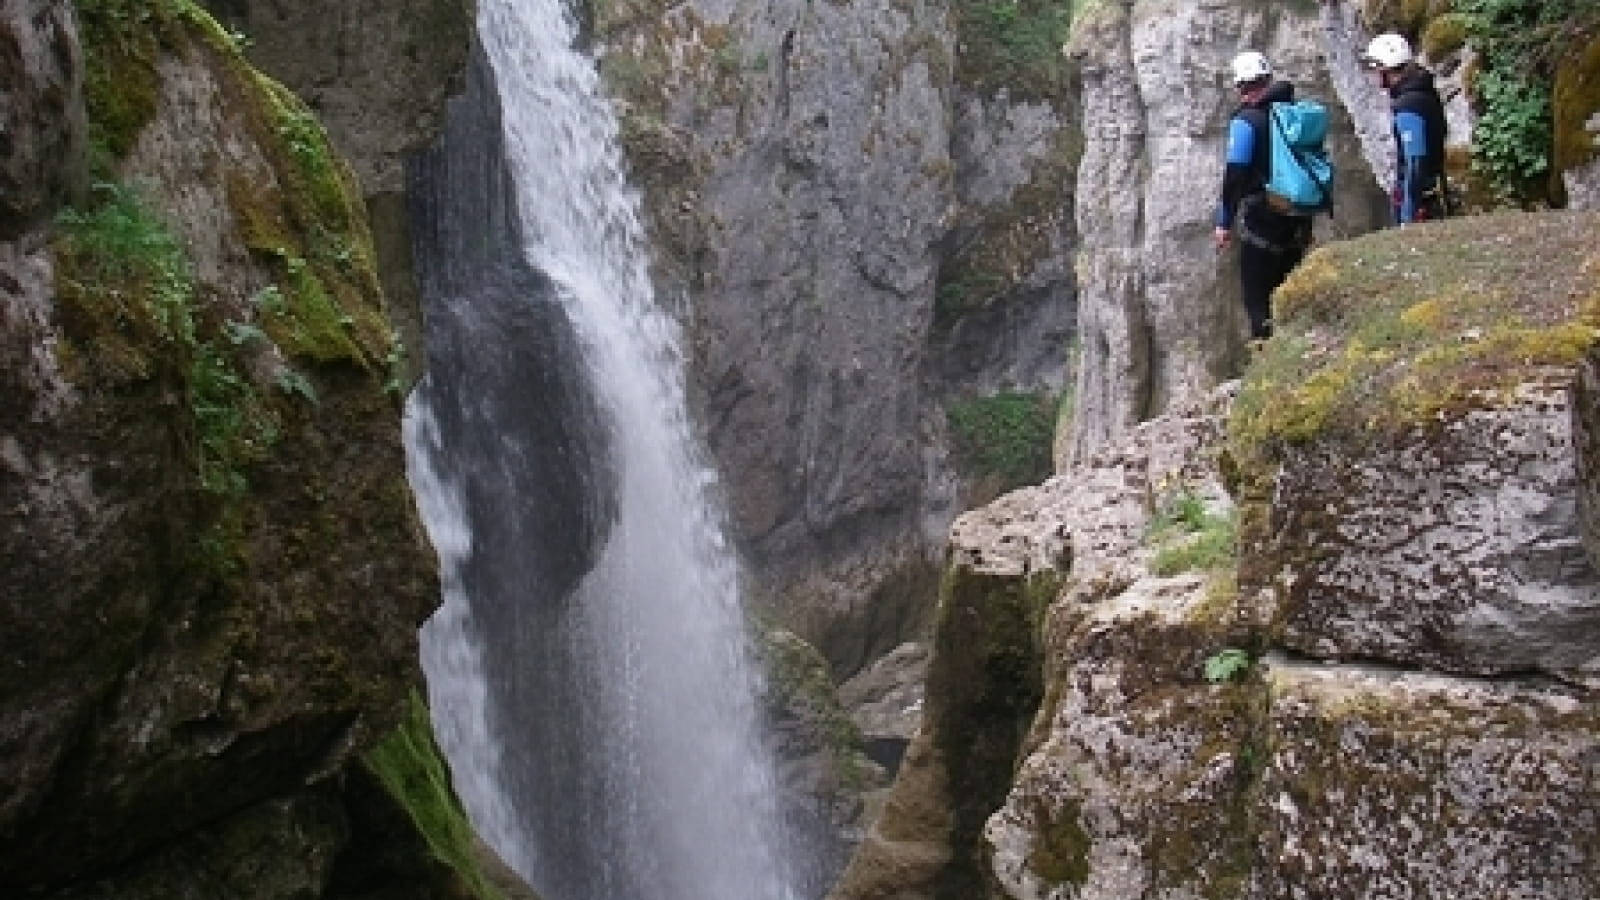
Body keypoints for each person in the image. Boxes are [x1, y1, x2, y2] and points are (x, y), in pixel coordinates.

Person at [1213, 50, 1314, 343]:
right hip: (1298, 218)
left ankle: (1265, 363)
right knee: (1289, 292)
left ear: (1241, 86)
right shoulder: (1293, 114)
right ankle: (1293, 353)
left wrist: (1224, 222)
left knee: (1258, 298)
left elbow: (1235, 175)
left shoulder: (1247, 121)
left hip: (1264, 220)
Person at [1364, 32, 1448, 224]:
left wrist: (1409, 212)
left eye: (1377, 69)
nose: (1376, 76)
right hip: (1432, 188)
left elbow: (1415, 162)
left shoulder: (1408, 105)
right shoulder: (1425, 91)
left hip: (1420, 197)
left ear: (1386, 70)